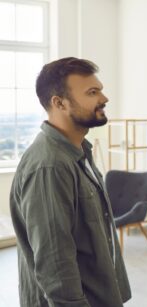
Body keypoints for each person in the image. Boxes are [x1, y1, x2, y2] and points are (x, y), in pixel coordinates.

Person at [10, 57, 131, 306]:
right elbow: (55, 263)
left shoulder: (78, 151)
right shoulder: (50, 166)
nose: (104, 99)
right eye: (93, 92)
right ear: (59, 103)